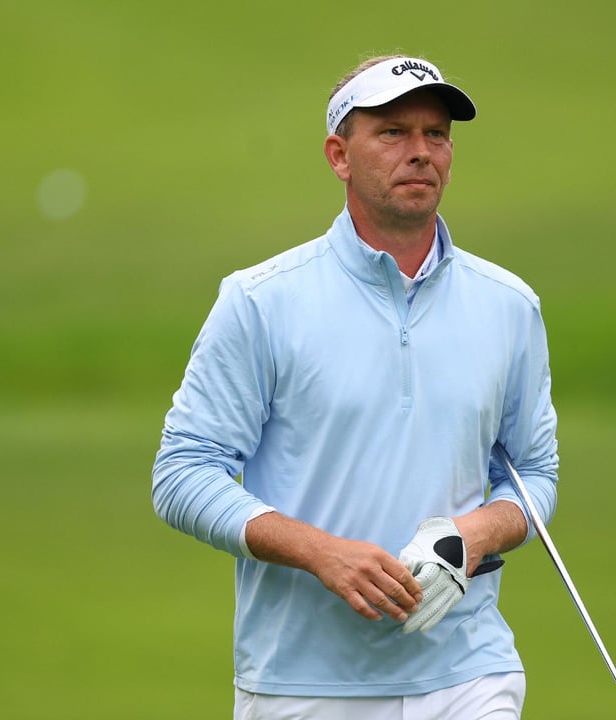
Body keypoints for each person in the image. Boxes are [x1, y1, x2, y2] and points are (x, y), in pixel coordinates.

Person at [152, 54, 560, 720]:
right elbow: (182, 474)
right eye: (393, 133)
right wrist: (321, 553)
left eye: (436, 133)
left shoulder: (508, 305)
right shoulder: (261, 302)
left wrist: (477, 533)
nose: (421, 152)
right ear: (339, 155)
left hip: (467, 674)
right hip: (302, 681)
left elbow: (533, 473)